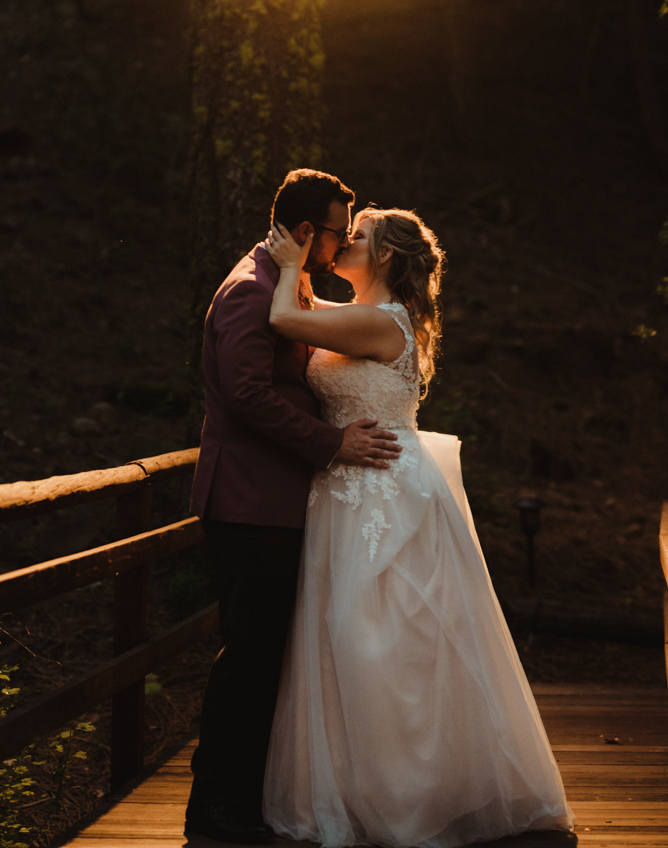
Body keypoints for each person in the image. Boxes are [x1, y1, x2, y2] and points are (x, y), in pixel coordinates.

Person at [263, 208, 575, 848]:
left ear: (381, 257)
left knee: (388, 642)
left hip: (385, 496)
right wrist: (294, 274)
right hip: (347, 492)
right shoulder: (358, 313)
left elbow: (286, 319)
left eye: (359, 232)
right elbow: (307, 313)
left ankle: (414, 795)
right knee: (347, 639)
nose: (346, 236)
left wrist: (290, 266)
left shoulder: (381, 323)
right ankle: (361, 790)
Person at [184, 170, 402, 845]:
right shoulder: (251, 292)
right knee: (248, 657)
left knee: (263, 656)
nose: (341, 245)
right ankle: (217, 811)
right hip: (250, 504)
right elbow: (247, 394)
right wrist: (331, 442)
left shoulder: (282, 280)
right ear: (309, 232)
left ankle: (244, 802)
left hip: (274, 501)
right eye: (340, 231)